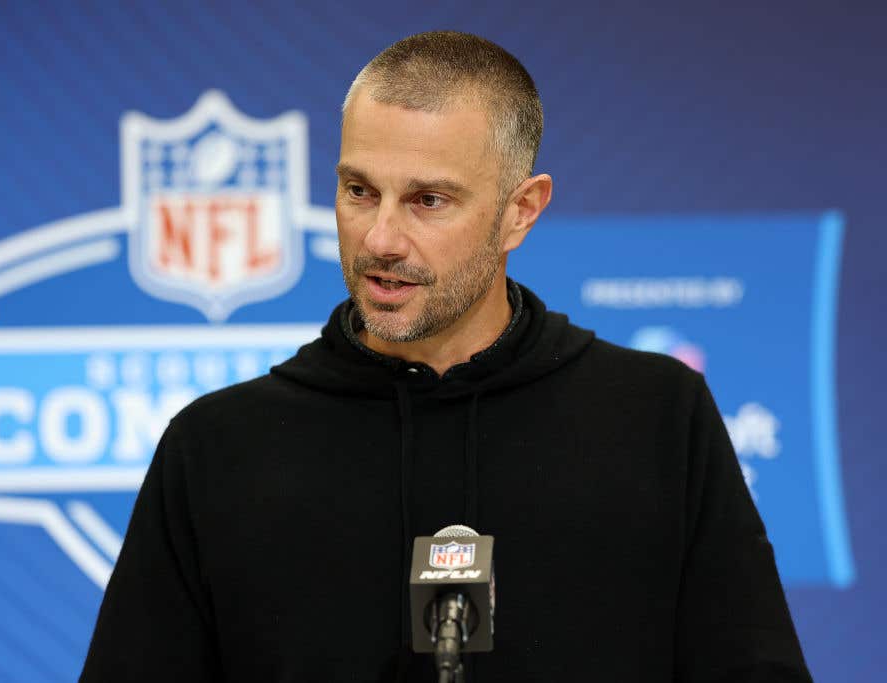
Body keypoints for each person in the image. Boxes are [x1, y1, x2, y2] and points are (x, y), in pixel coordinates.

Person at [81, 31, 812, 682]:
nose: (380, 240)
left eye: (428, 200)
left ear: (520, 211)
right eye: (359, 190)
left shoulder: (656, 414)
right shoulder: (217, 446)